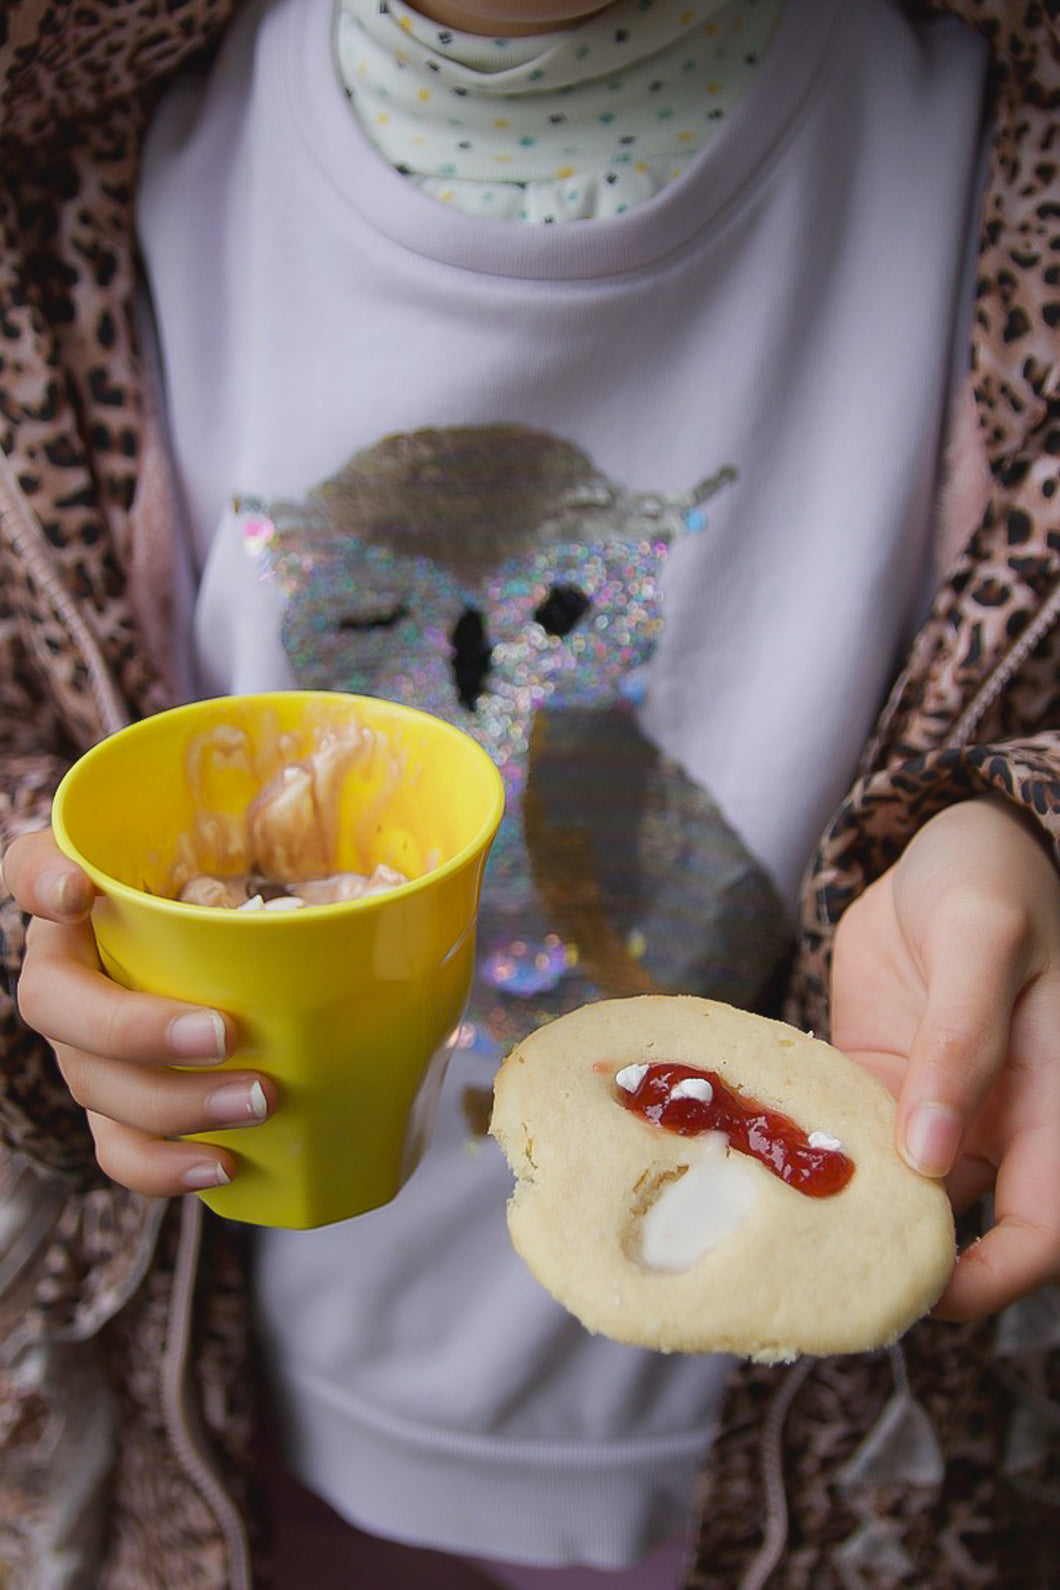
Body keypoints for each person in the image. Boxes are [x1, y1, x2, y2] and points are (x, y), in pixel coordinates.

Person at [0, 0, 1057, 1586]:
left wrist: (1020, 814)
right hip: (231, 1399)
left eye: (553, 614)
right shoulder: (73, 156)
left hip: (844, 1461)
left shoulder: (988, 143)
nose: (495, 674)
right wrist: (46, 954)